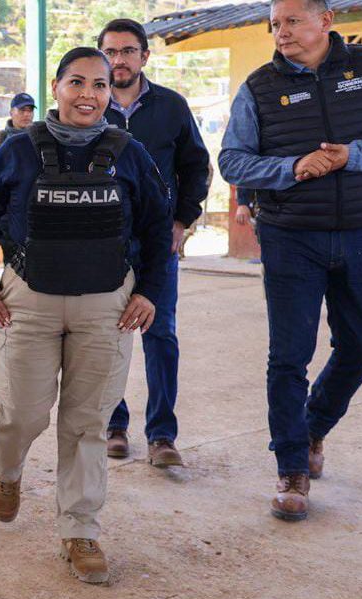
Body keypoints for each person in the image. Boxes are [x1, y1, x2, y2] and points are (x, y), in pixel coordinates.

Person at [0, 47, 171, 585]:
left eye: (100, 85)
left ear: (111, 91)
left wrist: (150, 291)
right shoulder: (15, 149)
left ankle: (80, 529)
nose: (89, 94)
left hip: (108, 305)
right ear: (55, 88)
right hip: (28, 301)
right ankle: (6, 469)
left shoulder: (128, 152)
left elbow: (157, 227)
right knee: (22, 412)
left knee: (87, 422)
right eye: (77, 83)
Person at [218, 0, 362, 521]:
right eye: (275, 24)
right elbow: (232, 159)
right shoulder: (258, 86)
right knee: (289, 356)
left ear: (325, 21)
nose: (282, 33)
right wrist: (294, 166)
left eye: (292, 21)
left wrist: (352, 155)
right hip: (290, 236)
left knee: (360, 350)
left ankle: (314, 424)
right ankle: (292, 467)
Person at [99, 18, 211, 468]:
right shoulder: (87, 104)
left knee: (160, 334)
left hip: (156, 246)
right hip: (101, 246)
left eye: (127, 51)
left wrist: (182, 220)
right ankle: (114, 424)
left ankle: (162, 435)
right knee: (104, 336)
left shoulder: (171, 107)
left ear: (144, 57)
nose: (118, 60)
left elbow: (196, 166)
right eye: (110, 51)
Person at [0, 91, 36, 165]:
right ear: (11, 112)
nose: (27, 114)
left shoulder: (39, 138)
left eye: (30, 110)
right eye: (22, 110)